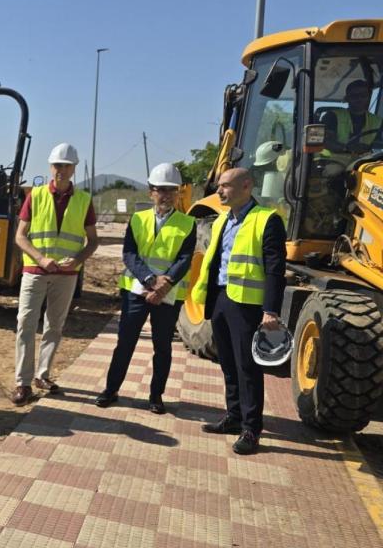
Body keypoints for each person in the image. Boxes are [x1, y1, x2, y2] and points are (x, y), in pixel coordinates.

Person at [191, 167, 285, 455]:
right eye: (219, 185)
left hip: (246, 305)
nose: (219, 191)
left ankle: (251, 429)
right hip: (220, 299)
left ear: (246, 186)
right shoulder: (222, 219)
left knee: (247, 368)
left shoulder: (266, 220)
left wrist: (270, 310)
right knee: (228, 363)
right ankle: (233, 416)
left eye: (225, 186)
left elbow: (275, 269)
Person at [95, 163, 195, 413]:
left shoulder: (188, 223)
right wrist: (151, 280)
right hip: (138, 291)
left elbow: (185, 259)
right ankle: (111, 389)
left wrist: (164, 285)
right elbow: (129, 254)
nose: (166, 195)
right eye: (161, 190)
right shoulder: (137, 219)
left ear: (178, 193)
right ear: (151, 192)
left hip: (168, 295)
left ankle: (156, 396)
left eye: (171, 190)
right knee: (125, 343)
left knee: (162, 346)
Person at [10, 143, 99, 406]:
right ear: (51, 167)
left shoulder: (84, 200)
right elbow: (20, 236)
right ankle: (23, 383)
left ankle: (43, 375)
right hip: (35, 271)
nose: (61, 170)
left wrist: (78, 260)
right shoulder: (35, 196)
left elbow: (93, 241)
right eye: (57, 165)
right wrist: (40, 258)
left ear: (74, 169)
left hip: (67, 275)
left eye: (66, 166)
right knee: (25, 324)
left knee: (55, 325)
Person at [322, 80, 381, 158]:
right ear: (347, 98)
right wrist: (347, 148)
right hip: (335, 161)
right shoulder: (332, 116)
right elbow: (326, 141)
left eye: (363, 95)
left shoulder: (379, 121)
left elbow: (379, 145)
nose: (359, 98)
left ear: (368, 97)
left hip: (368, 161)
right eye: (354, 96)